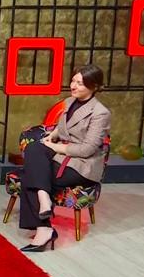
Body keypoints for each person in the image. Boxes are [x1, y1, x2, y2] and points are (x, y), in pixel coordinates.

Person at [18, 64, 111, 252]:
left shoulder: (100, 113)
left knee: (31, 173)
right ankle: (44, 206)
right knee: (34, 149)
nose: (74, 86)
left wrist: (54, 146)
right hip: (63, 156)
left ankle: (43, 226)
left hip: (82, 165)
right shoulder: (69, 101)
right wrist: (53, 135)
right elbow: (63, 127)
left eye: (80, 83)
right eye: (73, 81)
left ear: (94, 86)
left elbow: (86, 149)